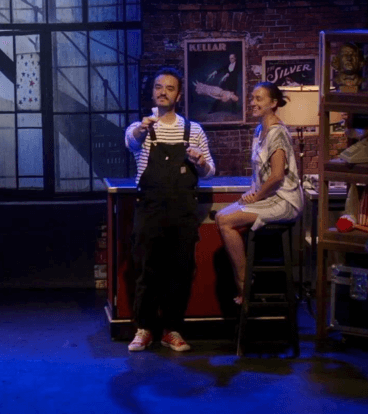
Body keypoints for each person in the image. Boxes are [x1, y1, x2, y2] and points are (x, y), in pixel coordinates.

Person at [124, 67, 215, 352]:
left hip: (182, 211)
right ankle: (144, 329)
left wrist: (201, 162)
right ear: (153, 92)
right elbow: (131, 141)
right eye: (158, 87)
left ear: (178, 95)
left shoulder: (193, 130)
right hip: (149, 209)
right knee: (147, 270)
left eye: (170, 88)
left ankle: (172, 330)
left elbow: (210, 171)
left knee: (180, 270)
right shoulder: (141, 127)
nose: (163, 92)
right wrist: (141, 129)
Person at [215, 82, 304, 305]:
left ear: (273, 103)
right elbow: (261, 175)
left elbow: (277, 176)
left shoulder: (277, 133)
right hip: (269, 196)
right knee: (221, 216)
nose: (252, 103)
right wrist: (253, 192)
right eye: (252, 98)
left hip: (285, 200)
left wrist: (257, 197)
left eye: (258, 99)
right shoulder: (259, 130)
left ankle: (244, 282)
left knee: (225, 220)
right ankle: (246, 279)